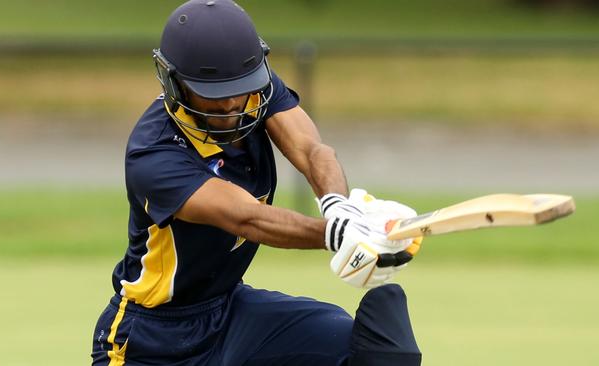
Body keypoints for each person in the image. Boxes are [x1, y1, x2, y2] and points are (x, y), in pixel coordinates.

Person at [91, 1, 423, 365]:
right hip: (152, 340)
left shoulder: (253, 93)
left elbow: (312, 150)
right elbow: (246, 218)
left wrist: (339, 208)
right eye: (215, 93)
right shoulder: (154, 154)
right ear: (174, 82)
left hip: (230, 313)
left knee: (378, 350)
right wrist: (338, 235)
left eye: (241, 87)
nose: (233, 102)